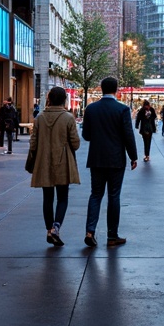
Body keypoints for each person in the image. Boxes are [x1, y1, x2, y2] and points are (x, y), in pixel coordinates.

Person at [82, 76, 138, 248]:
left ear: (101, 89)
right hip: (116, 159)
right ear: (117, 90)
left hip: (96, 159)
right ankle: (112, 236)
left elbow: (86, 135)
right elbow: (128, 134)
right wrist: (133, 156)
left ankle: (90, 231)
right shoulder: (122, 109)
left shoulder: (91, 109)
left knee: (96, 194)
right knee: (114, 196)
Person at [28, 86, 81, 246]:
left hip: (44, 161)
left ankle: (48, 229)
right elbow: (76, 143)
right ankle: (56, 228)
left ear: (49, 98)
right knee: (63, 197)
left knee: (47, 197)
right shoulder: (68, 118)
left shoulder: (40, 117)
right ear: (64, 99)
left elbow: (33, 143)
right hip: (62, 161)